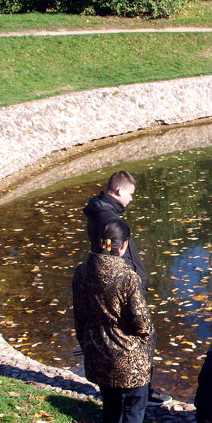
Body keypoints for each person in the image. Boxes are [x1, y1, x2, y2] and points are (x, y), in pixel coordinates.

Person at [73, 219, 155, 423]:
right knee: (135, 402)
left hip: (96, 346)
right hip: (126, 351)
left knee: (110, 399)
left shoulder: (82, 271)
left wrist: (85, 342)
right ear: (123, 246)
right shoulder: (127, 276)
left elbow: (79, 314)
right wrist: (145, 336)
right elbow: (141, 322)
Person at [84, 170, 170, 406]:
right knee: (142, 336)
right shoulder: (110, 221)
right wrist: (135, 283)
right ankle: (141, 390)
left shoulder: (99, 212)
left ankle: (127, 385)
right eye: (130, 194)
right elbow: (117, 255)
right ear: (120, 191)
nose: (131, 199)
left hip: (113, 285)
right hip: (122, 287)